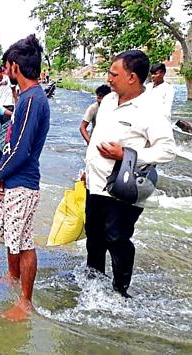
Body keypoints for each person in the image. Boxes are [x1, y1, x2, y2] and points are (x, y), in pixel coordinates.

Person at [84, 50, 175, 298]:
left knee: (116, 237)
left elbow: (167, 150)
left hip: (124, 185)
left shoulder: (151, 109)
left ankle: (120, 291)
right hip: (95, 183)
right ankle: (92, 287)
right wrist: (87, 170)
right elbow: (97, 138)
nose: (109, 78)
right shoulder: (109, 102)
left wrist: (127, 155)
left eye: (114, 74)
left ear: (132, 77)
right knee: (93, 236)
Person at [0, 34, 50, 322]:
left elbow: (23, 149)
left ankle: (26, 302)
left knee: (24, 241)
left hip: (22, 180)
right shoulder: (25, 97)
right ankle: (12, 277)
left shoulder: (33, 99)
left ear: (13, 67)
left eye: (6, 66)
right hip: (15, 178)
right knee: (13, 237)